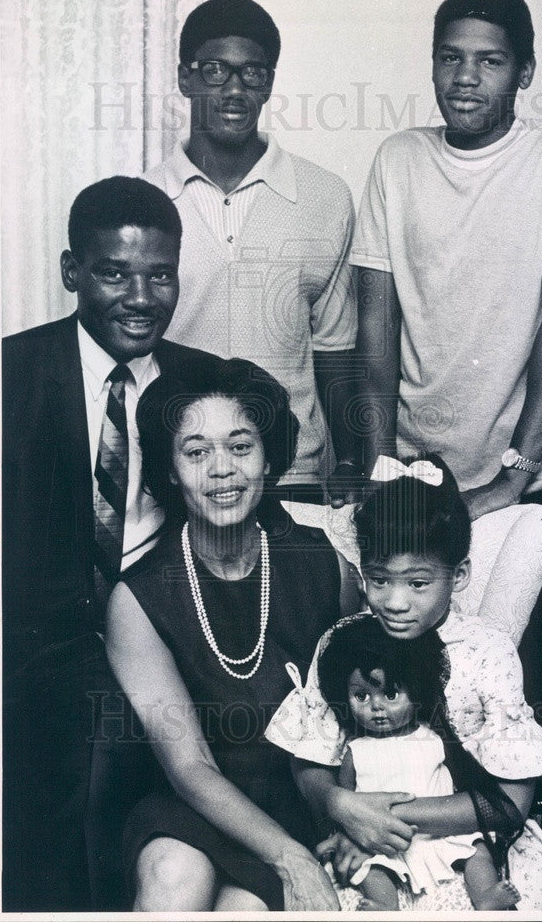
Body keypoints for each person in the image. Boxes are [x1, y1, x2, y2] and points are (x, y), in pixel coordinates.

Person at [349, 0, 542, 907]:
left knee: (523, 698)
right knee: (410, 692)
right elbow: (374, 327)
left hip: (529, 484)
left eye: (489, 59)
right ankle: (431, 886)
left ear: (523, 71)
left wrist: (513, 477)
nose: (465, 77)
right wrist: (383, 470)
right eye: (451, 57)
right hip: (417, 479)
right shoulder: (396, 159)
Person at [2, 176, 222, 910]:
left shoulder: (203, 384)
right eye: (113, 272)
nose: (141, 296)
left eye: (160, 275)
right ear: (72, 273)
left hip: (166, 633)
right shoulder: (6, 376)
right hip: (35, 636)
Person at [105, 357, 362, 911]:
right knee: (173, 875)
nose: (222, 469)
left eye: (240, 446)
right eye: (196, 452)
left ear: (268, 458)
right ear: (170, 471)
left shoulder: (326, 567)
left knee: (241, 912)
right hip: (196, 801)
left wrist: (343, 812)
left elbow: (360, 718)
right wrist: (289, 857)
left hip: (300, 798)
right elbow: (188, 765)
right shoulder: (139, 599)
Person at [266, 454, 542, 911]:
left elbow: (510, 803)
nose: (396, 602)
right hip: (362, 845)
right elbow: (309, 756)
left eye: (418, 583)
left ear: (458, 575)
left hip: (467, 841)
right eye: (379, 580)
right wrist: (339, 806)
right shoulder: (341, 643)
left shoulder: (487, 651)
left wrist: (383, 816)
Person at [144, 0, 359, 504]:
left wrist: (350, 460)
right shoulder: (144, 205)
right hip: (180, 478)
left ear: (270, 84)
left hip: (294, 479)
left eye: (254, 73)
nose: (235, 89)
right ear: (185, 78)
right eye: (215, 70)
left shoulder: (325, 197)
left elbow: (335, 349)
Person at [317, 615, 521, 911]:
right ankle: (384, 906)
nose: (376, 706)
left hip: (438, 831)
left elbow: (458, 784)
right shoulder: (355, 750)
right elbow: (345, 801)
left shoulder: (434, 738)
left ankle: (485, 895)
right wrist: (346, 831)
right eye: (361, 696)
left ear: (416, 693)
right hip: (382, 836)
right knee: (372, 870)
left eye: (390, 694)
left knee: (476, 850)